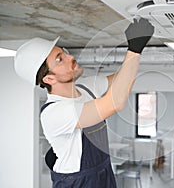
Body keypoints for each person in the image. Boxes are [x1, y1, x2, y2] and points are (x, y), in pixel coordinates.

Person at [14, 18, 154, 188]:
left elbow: (121, 80)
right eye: (60, 59)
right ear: (49, 78)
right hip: (77, 182)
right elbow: (115, 102)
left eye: (64, 52)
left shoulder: (85, 87)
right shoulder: (55, 112)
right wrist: (134, 50)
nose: (70, 57)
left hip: (103, 170)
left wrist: (135, 51)